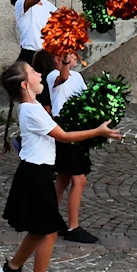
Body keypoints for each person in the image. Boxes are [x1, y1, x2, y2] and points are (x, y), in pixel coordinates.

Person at [0, 61, 120, 272]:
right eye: (34, 72)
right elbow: (63, 137)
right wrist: (97, 131)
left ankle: (12, 269)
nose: (40, 72)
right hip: (36, 175)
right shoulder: (32, 111)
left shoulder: (31, 108)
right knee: (49, 231)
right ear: (25, 84)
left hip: (35, 173)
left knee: (38, 228)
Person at [47, 53, 98, 243]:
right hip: (64, 127)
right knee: (79, 179)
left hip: (78, 127)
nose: (75, 56)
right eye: (69, 54)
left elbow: (85, 99)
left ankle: (48, 218)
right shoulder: (53, 75)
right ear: (58, 58)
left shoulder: (78, 77)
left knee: (64, 178)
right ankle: (73, 226)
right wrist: (65, 58)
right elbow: (63, 77)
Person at [9, 0, 63, 65]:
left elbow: (62, 16)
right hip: (30, 56)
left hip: (47, 56)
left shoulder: (46, 4)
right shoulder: (21, 2)